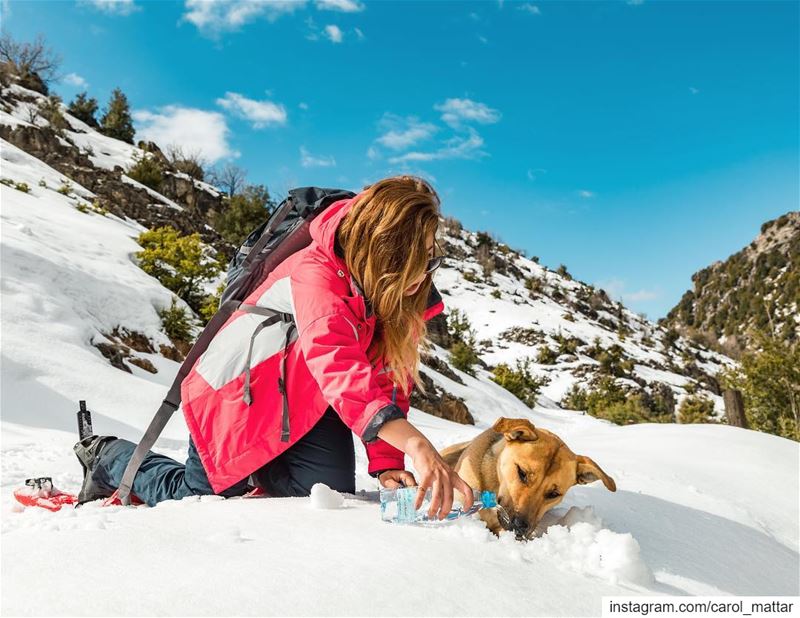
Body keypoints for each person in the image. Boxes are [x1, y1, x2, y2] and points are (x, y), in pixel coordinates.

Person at [76, 175, 474, 519]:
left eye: (429, 256)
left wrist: (387, 463)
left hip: (303, 399)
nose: (424, 271)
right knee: (199, 497)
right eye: (417, 257)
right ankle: (107, 456)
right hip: (238, 389)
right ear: (384, 254)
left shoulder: (395, 291)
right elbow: (338, 366)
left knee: (326, 492)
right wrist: (417, 444)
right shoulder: (315, 273)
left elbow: (387, 376)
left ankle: (259, 466)